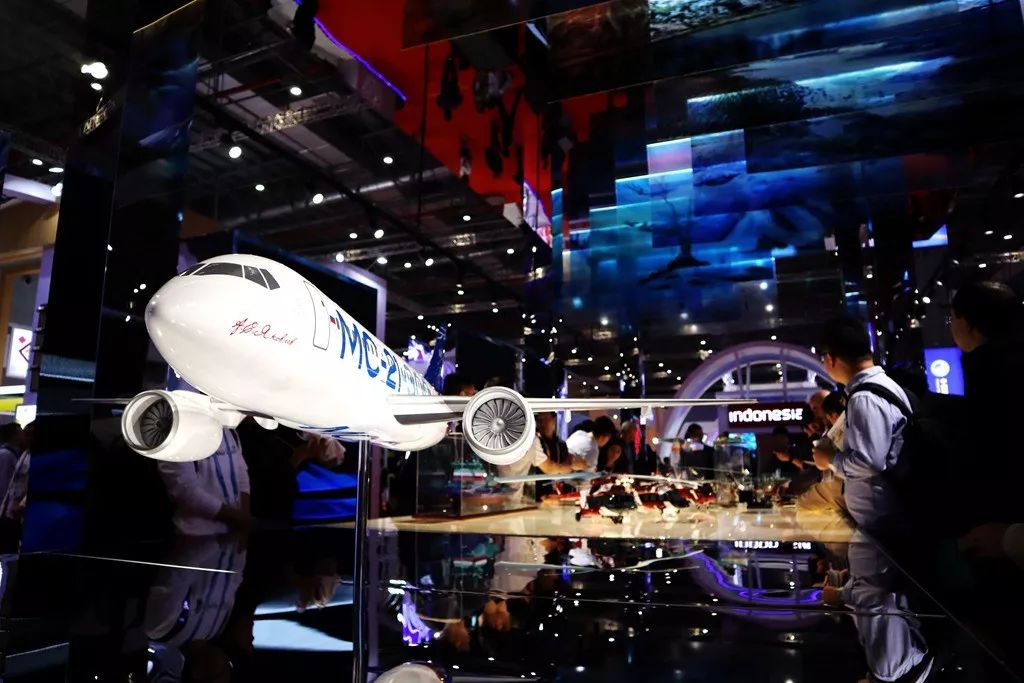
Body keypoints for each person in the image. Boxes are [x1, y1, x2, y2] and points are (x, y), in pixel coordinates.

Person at [812, 316, 911, 534]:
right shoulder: (880, 386)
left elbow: (868, 462)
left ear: (830, 359)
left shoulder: (864, 397)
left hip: (882, 525)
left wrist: (829, 458)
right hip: (886, 519)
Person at [950, 281, 1024, 523]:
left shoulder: (985, 369)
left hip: (1002, 515)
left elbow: (988, 450)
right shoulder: (1008, 360)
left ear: (967, 323)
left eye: (952, 318)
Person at [159, 428, 252, 535]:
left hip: (234, 533)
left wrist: (244, 516)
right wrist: (239, 518)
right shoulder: (176, 436)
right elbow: (185, 491)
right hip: (196, 536)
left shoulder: (228, 431)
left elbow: (242, 475)